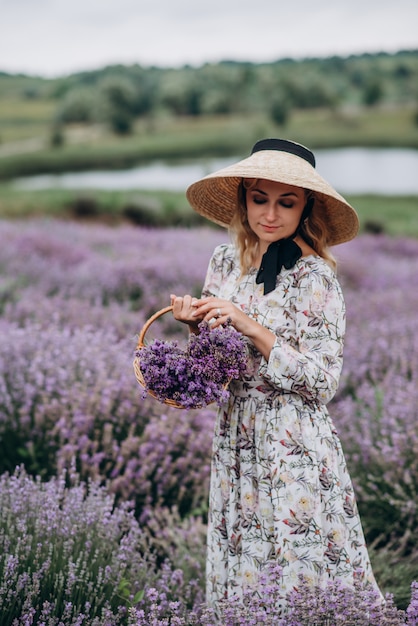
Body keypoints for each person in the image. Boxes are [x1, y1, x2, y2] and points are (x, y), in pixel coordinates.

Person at [170, 138, 381, 611]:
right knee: (244, 570)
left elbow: (322, 382)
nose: (270, 214)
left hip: (292, 442)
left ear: (306, 207)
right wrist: (194, 329)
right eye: (259, 199)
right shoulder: (223, 263)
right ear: (243, 199)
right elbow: (218, 369)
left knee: (303, 573)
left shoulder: (316, 277)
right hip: (236, 438)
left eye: (286, 202)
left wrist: (250, 325)